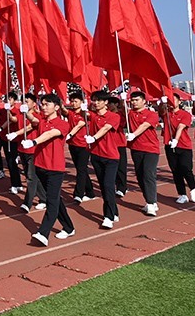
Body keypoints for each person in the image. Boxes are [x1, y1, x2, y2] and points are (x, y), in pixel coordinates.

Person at [23, 93, 75, 245]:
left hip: (54, 168)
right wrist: (26, 111)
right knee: (55, 198)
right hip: (40, 166)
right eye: (42, 104)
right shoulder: (42, 121)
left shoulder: (63, 124)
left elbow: (50, 134)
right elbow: (34, 120)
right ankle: (69, 227)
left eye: (47, 104)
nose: (43, 107)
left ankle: (43, 233)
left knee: (51, 201)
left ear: (57, 107)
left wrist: (34, 142)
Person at [86, 90, 122, 228]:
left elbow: (106, 128)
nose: (96, 103)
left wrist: (94, 138)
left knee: (108, 185)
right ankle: (114, 211)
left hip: (111, 157)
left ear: (106, 102)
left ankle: (108, 217)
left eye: (99, 100)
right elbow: (79, 114)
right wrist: (82, 108)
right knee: (103, 186)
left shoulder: (114, 116)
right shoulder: (93, 116)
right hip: (96, 156)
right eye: (94, 100)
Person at [124, 90, 162, 216]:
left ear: (144, 101)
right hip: (136, 148)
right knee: (140, 176)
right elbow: (120, 110)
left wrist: (133, 134)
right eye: (132, 100)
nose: (134, 102)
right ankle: (151, 200)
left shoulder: (151, 114)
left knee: (148, 174)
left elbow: (144, 126)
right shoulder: (130, 114)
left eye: (137, 100)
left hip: (151, 149)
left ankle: (151, 204)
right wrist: (121, 100)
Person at [164, 99, 195, 204]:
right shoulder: (166, 114)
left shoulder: (185, 114)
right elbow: (160, 110)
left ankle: (193, 189)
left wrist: (176, 140)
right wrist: (162, 102)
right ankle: (182, 194)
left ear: (179, 102)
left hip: (184, 146)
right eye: (169, 100)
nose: (171, 102)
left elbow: (180, 127)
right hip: (169, 145)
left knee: (186, 169)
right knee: (175, 171)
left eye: (174, 100)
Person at [66, 92, 95, 202]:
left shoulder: (86, 114)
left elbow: (80, 125)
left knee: (81, 169)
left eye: (76, 101)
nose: (73, 103)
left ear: (82, 102)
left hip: (83, 145)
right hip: (72, 144)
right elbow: (63, 110)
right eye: (72, 101)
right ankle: (90, 192)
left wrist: (69, 134)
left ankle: (78, 194)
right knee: (80, 169)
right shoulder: (71, 113)